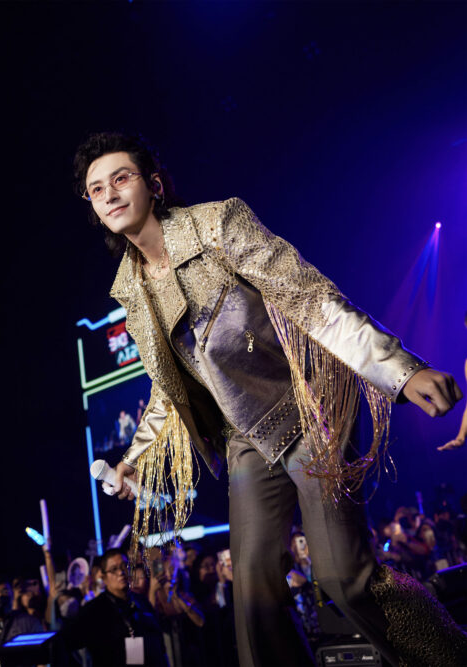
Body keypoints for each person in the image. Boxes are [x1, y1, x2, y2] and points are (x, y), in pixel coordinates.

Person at [73, 132, 466, 667]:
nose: (110, 194)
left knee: (343, 577)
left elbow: (310, 298)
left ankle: (447, 657)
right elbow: (170, 387)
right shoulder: (131, 288)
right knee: (253, 595)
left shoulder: (217, 224)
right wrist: (135, 460)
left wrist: (401, 369)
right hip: (245, 437)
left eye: (121, 178)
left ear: (155, 185)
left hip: (309, 403)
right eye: (97, 189)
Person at [57, 549, 168, 666]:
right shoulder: (93, 610)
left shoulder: (141, 601)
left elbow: (159, 643)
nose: (121, 572)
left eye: (124, 566)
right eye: (114, 569)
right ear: (104, 577)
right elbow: (63, 643)